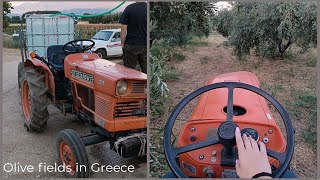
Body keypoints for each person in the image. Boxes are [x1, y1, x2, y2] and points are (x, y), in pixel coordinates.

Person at [119, 2, 147, 74]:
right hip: (145, 44)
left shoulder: (129, 8)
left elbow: (123, 29)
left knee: (129, 72)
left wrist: (122, 44)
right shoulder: (148, 8)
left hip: (131, 44)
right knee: (146, 71)